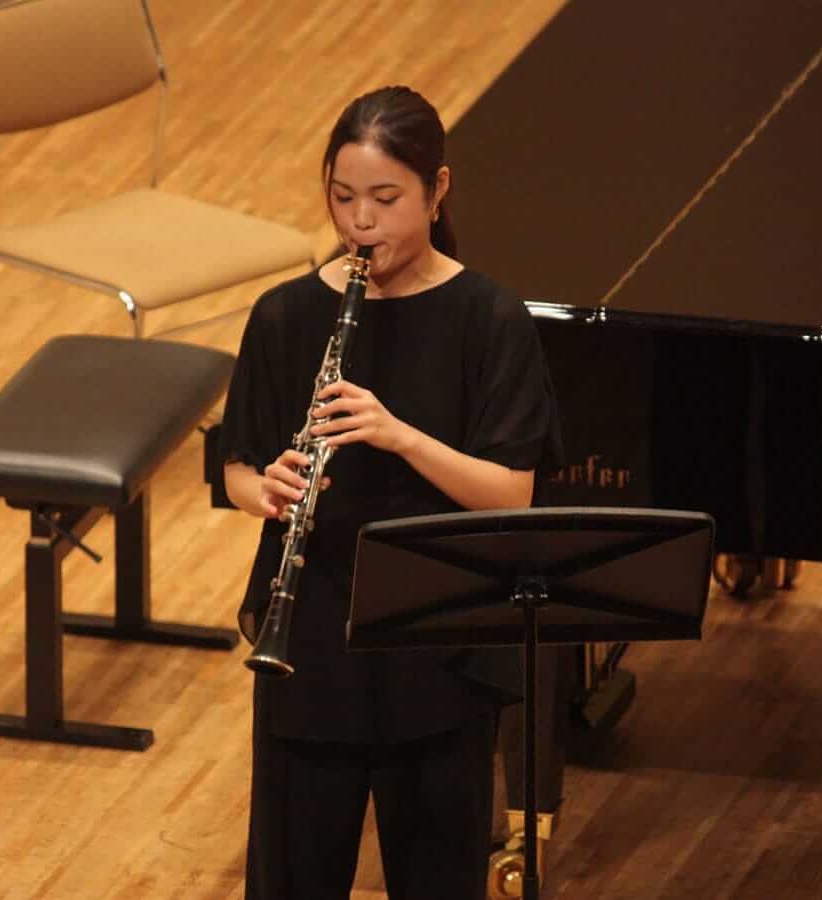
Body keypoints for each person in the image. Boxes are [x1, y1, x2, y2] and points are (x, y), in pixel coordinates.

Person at [219, 85, 562, 900]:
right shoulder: (284, 317)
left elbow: (511, 495)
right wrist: (261, 490)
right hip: (311, 639)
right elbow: (234, 465)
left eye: (385, 199)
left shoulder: (489, 320)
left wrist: (398, 433)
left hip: (437, 647)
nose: (361, 225)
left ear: (438, 191)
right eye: (343, 199)